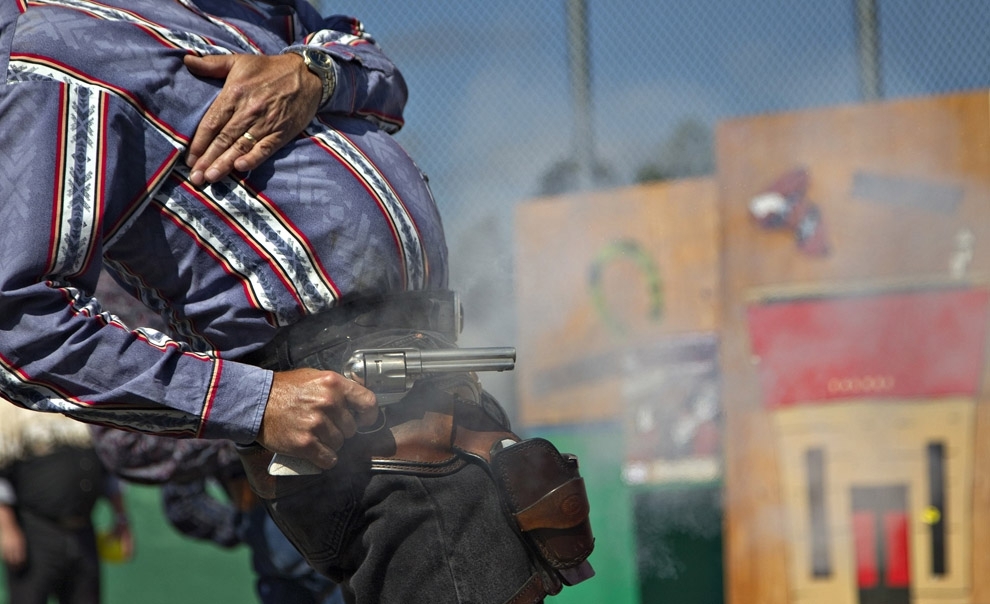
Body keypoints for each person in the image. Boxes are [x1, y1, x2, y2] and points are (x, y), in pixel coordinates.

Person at [0, 2, 594, 603]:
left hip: (436, 386)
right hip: (353, 421)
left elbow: (381, 74)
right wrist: (257, 403)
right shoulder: (60, 46)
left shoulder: (254, 12)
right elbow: (15, 322)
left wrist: (313, 72)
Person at [0, 404, 133, 604]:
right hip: (35, 532)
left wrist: (122, 519)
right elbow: (2, 475)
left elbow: (110, 471)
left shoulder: (87, 404)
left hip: (83, 531)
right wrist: (8, 529)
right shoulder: (18, 406)